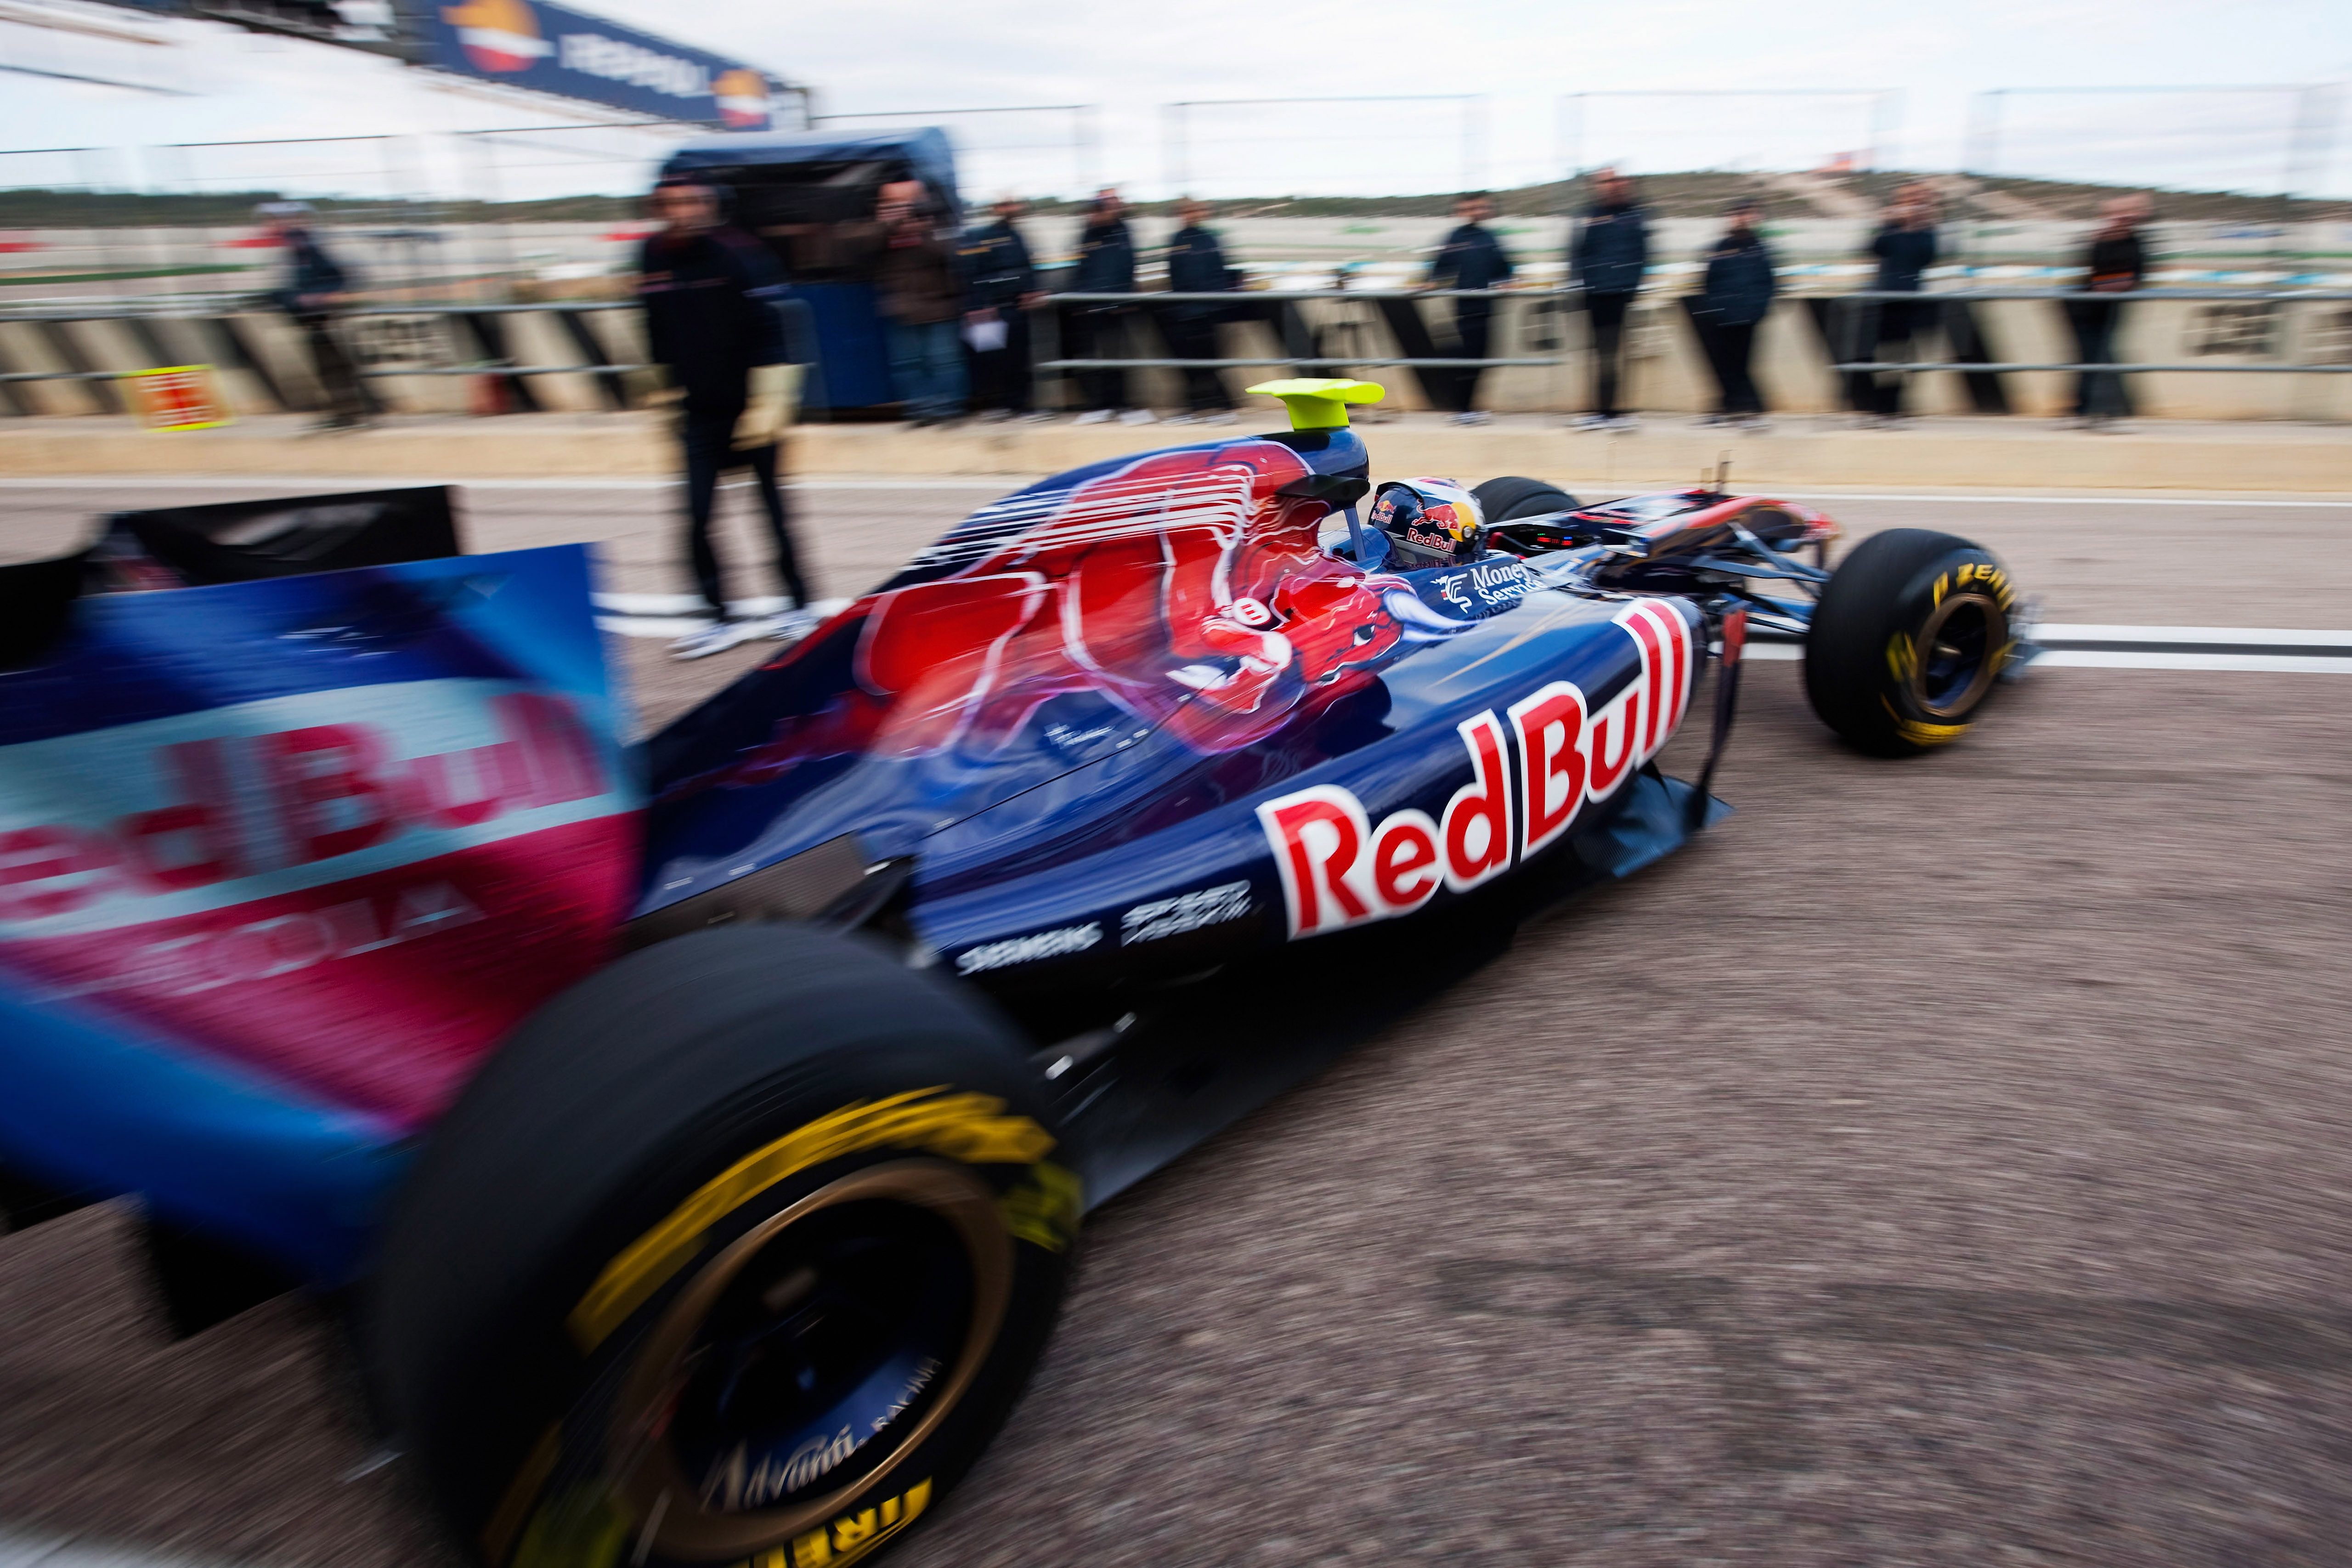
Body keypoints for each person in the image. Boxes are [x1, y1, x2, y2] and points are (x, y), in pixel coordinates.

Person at [637, 176, 813, 661]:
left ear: (709, 206)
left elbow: (772, 327)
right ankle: (717, 618)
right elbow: (652, 328)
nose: (682, 211)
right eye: (671, 203)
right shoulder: (651, 255)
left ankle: (798, 604)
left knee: (772, 511)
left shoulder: (738, 252)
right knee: (695, 516)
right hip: (698, 411)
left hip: (753, 405)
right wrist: (661, 393)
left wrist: (770, 403)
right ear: (658, 208)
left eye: (691, 202)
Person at [853, 180, 967, 426]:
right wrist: (888, 225)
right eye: (895, 202)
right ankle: (921, 411)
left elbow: (950, 253)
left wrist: (922, 229)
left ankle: (949, 408)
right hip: (902, 309)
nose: (904, 207)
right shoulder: (880, 227)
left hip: (939, 307)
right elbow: (861, 250)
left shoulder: (937, 219)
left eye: (909, 200)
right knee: (908, 364)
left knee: (945, 361)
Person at [258, 202, 370, 432]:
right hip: (312, 320)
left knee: (333, 366)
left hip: (321, 320)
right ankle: (343, 412)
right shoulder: (299, 251)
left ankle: (349, 412)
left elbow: (340, 279)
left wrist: (313, 297)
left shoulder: (310, 250)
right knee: (327, 367)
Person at [1568, 168, 1650, 431]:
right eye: (1605, 182)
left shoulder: (1634, 215)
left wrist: (1632, 287)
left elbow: (1642, 253)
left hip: (1622, 295)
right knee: (1599, 355)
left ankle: (1617, 412)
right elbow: (1578, 254)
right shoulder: (1589, 216)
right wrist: (1580, 287)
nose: (1611, 186)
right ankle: (1601, 411)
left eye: (1615, 181)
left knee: (1621, 355)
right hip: (1595, 295)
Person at [1425, 191, 1514, 425]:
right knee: (1465, 360)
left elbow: (1504, 268)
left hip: (1487, 308)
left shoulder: (1491, 238)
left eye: (1480, 208)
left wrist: (1507, 281)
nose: (1476, 212)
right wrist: (1429, 282)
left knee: (1482, 359)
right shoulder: (1456, 237)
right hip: (1464, 308)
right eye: (1470, 208)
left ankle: (1470, 409)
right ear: (1461, 212)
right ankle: (1462, 409)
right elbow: (1440, 267)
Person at [1691, 200, 1778, 430]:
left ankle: (1754, 411)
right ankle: (1729, 409)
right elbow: (1708, 282)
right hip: (1720, 317)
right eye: (1737, 215)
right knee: (1724, 366)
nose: (1741, 219)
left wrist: (1757, 310)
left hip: (1747, 317)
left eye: (1746, 214)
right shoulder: (1719, 248)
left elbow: (1769, 284)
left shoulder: (1760, 249)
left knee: (1742, 365)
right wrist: (1712, 309)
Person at [960, 193, 1046, 422]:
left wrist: (1033, 290)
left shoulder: (1018, 236)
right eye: (1005, 205)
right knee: (991, 361)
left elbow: (1027, 269)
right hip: (990, 310)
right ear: (995, 208)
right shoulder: (980, 236)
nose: (1011, 209)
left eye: (1014, 204)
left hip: (1015, 309)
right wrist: (979, 305)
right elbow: (972, 273)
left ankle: (1019, 405)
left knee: (1018, 360)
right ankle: (996, 406)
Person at [2067, 195, 2151, 430]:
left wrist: (2109, 284)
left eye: (2127, 216)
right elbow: (2098, 274)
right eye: (2117, 215)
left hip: (2106, 308)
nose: (2121, 220)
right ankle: (2089, 411)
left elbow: (2133, 277)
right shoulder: (2102, 240)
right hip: (2086, 309)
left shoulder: (2134, 242)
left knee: (2099, 357)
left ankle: (2098, 412)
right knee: (2092, 357)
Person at [1065, 189, 1148, 425]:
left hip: (1115, 306)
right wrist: (1080, 300)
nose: (1097, 214)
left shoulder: (1122, 231)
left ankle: (1121, 404)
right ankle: (1098, 406)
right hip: (1089, 306)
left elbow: (1126, 267)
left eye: (1102, 209)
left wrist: (1123, 300)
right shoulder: (1088, 233)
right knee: (1090, 359)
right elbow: (1082, 268)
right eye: (1095, 210)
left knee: (1117, 358)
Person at [1859, 182, 1939, 425]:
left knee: (1902, 357)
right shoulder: (1890, 228)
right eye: (1908, 199)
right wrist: (1891, 224)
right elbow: (1874, 249)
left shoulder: (1926, 231)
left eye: (1918, 200)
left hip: (1910, 301)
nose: (1912, 204)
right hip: (1884, 300)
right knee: (1878, 356)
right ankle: (1880, 408)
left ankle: (1893, 408)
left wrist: (1916, 226)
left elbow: (1927, 258)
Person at [1160, 198, 1240, 425]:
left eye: (1195, 211)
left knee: (1210, 361)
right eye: (1186, 211)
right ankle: (1197, 407)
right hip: (1185, 311)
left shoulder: (1210, 239)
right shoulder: (1177, 240)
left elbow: (1219, 273)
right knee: (1189, 363)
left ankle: (1222, 407)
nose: (1191, 215)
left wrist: (1214, 305)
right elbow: (1175, 275)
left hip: (1208, 311)